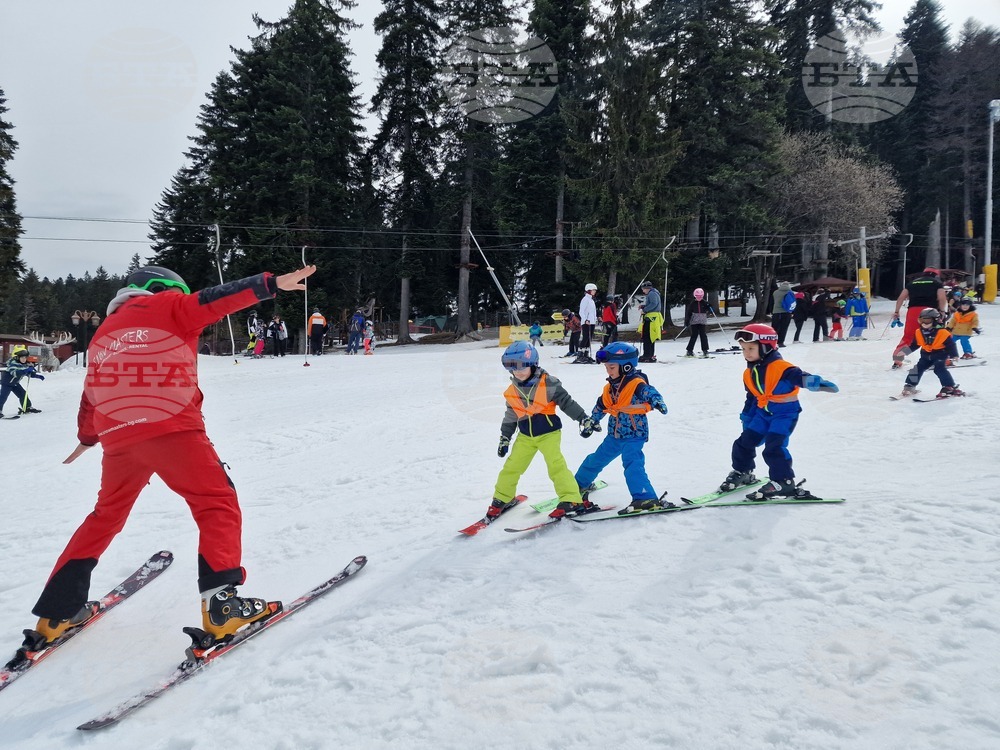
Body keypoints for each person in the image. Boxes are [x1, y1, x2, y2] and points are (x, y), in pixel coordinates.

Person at [21, 264, 316, 650]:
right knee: (216, 503)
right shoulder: (170, 306)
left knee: (105, 516)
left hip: (118, 438)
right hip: (171, 427)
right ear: (164, 289)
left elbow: (92, 390)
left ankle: (56, 614)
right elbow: (215, 299)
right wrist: (271, 284)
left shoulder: (103, 335)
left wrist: (88, 437)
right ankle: (223, 607)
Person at [718, 323, 839, 500]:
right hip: (762, 414)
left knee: (774, 446)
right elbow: (752, 396)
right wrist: (747, 416)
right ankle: (743, 472)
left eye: (751, 348)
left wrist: (816, 383)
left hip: (784, 415)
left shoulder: (781, 367)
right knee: (743, 443)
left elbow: (799, 377)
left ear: (767, 346)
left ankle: (784, 482)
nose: (747, 353)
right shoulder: (749, 372)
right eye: (743, 349)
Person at [484, 341, 600, 522]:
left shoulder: (549, 384)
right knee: (512, 467)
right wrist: (505, 438)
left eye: (523, 366)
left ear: (533, 364)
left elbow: (567, 403)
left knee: (556, 466)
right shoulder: (512, 391)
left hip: (549, 433)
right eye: (512, 367)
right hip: (525, 436)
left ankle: (571, 499)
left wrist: (583, 419)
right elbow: (510, 417)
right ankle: (503, 498)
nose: (518, 371)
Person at [575, 342, 669, 514]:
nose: (608, 371)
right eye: (606, 367)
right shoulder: (611, 387)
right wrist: (591, 421)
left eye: (611, 367)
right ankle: (578, 486)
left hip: (634, 433)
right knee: (595, 459)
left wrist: (658, 401)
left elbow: (649, 392)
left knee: (633, 463)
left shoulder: (636, 384)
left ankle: (644, 497)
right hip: (615, 435)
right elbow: (601, 405)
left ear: (626, 366)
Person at [893, 308, 963, 398]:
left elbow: (951, 345)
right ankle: (910, 385)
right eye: (922, 320)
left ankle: (949, 386)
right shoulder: (918, 332)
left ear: (935, 320)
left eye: (927, 320)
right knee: (917, 369)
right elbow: (915, 345)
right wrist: (904, 352)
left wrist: (954, 355)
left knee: (939, 369)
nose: (924, 323)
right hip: (925, 355)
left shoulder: (942, 333)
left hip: (940, 354)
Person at [892, 268, 948, 368]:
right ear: (936, 275)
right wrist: (942, 310)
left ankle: (898, 358)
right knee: (935, 335)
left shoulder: (912, 283)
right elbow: (941, 297)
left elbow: (901, 297)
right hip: (930, 311)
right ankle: (940, 360)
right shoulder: (937, 283)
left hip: (913, 311)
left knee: (909, 337)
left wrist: (897, 311)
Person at [0, 346, 45, 418]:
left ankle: (27, 407)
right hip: (7, 383)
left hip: (15, 383)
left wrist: (37, 376)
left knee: (23, 394)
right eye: (22, 358)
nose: (24, 359)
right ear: (17, 357)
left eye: (25, 358)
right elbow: (15, 373)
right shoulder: (13, 363)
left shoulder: (24, 364)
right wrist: (25, 370)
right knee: (3, 397)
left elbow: (28, 373)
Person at [683, 288, 714, 357]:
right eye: (697, 296)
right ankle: (689, 350)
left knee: (703, 335)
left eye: (700, 296)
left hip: (702, 321)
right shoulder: (693, 303)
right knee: (694, 335)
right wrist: (687, 321)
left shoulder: (704, 302)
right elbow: (688, 313)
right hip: (694, 322)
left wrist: (709, 306)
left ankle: (705, 350)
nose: (699, 298)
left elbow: (710, 309)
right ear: (695, 296)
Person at [638, 280, 662, 362]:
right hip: (653, 317)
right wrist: (643, 306)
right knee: (650, 337)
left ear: (647, 288)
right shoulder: (654, 293)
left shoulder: (652, 293)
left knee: (647, 336)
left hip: (651, 318)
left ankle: (647, 355)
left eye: (643, 289)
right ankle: (649, 354)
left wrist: (645, 310)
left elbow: (653, 304)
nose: (643, 290)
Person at [574, 283, 599, 363]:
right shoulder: (585, 299)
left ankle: (586, 354)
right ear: (589, 291)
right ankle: (580, 354)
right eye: (593, 290)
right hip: (586, 322)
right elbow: (581, 311)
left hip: (591, 322)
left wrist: (596, 318)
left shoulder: (591, 300)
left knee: (589, 338)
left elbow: (593, 312)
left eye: (595, 290)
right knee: (585, 337)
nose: (594, 292)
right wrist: (585, 320)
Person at [770, 281, 795, 347]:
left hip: (776, 312)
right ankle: (781, 342)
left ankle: (773, 342)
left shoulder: (775, 292)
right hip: (786, 312)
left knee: (775, 328)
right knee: (784, 327)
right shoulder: (790, 292)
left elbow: (773, 301)